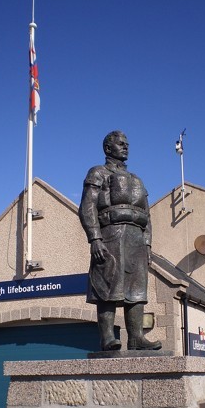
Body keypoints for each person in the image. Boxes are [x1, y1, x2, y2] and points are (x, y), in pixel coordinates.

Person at [79, 131, 162, 351]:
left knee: (136, 290)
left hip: (136, 238)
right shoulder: (97, 173)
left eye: (127, 144)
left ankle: (136, 337)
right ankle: (107, 337)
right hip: (110, 236)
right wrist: (95, 238)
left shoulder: (137, 179)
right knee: (107, 286)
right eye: (120, 144)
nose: (125, 147)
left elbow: (147, 216)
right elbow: (87, 208)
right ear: (108, 148)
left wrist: (147, 245)